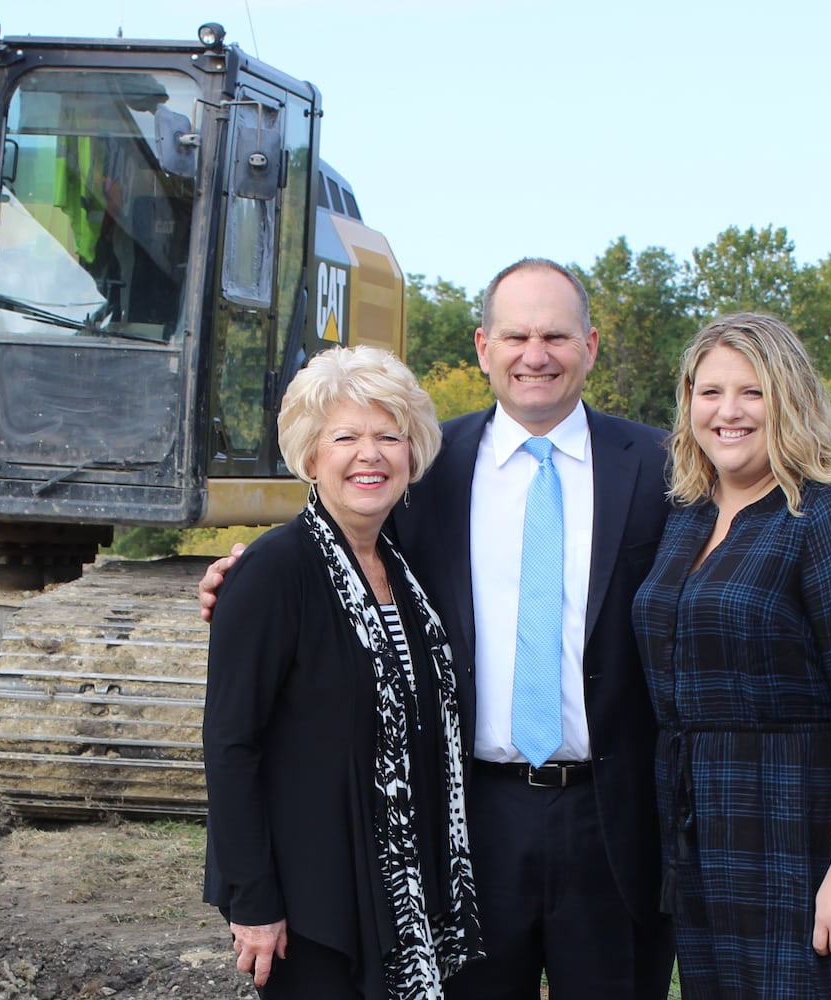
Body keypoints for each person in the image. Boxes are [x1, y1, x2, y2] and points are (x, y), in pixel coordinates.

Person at [203, 258, 676, 999]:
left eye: (555, 334)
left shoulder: (660, 466)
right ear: (484, 347)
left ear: (590, 344)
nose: (535, 354)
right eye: (516, 335)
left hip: (612, 822)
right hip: (466, 826)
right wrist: (237, 582)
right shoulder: (432, 468)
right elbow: (320, 565)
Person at [630, 313, 831, 998]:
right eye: (709, 392)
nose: (727, 412)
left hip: (806, 833)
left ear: (788, 399)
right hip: (707, 837)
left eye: (751, 392)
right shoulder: (685, 518)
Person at [203, 344, 485, 999]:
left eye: (389, 436)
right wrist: (252, 901)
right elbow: (230, 744)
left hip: (406, 893)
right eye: (345, 437)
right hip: (314, 904)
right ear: (309, 456)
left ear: (411, 455)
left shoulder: (409, 575)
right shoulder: (274, 572)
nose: (370, 454)